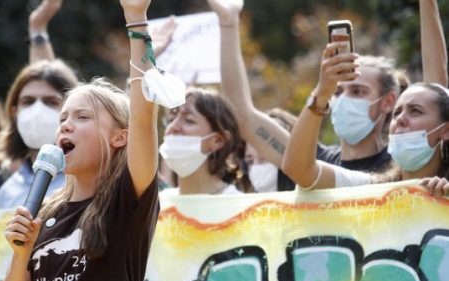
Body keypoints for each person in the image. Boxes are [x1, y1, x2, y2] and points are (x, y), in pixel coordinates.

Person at [0, 0, 160, 281]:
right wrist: (21, 255)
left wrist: (136, 18)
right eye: (63, 119)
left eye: (82, 117)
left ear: (121, 137)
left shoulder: (126, 201)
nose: (65, 126)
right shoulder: (44, 213)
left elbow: (145, 110)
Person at [281, 45, 449, 195]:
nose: (400, 119)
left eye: (415, 111)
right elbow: (298, 168)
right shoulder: (370, 188)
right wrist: (321, 94)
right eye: (397, 113)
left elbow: (438, 74)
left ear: (446, 130)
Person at [0, 60, 78, 209]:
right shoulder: (7, 192)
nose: (37, 110)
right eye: (28, 102)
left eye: (51, 102)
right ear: (15, 112)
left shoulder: (87, 180)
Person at [160, 87, 251, 195]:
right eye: (171, 119)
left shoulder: (237, 205)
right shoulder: (159, 205)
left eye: (189, 120)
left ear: (218, 140)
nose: (173, 126)